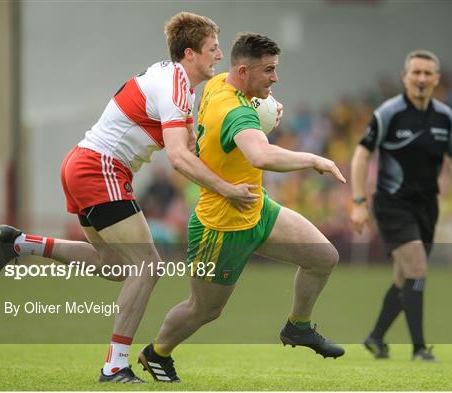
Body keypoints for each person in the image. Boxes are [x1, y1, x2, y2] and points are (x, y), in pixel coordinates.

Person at [0, 12, 260, 384]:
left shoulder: (172, 80)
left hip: (84, 163)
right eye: (213, 48)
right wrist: (227, 189)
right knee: (147, 265)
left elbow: (187, 147)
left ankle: (19, 243)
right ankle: (114, 366)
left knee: (113, 264)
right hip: (100, 168)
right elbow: (179, 158)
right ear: (191, 53)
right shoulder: (176, 85)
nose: (219, 54)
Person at [136, 33, 347, 383]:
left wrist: (267, 108)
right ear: (245, 70)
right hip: (220, 227)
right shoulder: (233, 110)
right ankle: (156, 352)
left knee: (323, 257)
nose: (275, 78)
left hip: (255, 207)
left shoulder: (221, 84)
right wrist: (313, 158)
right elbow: (260, 155)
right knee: (204, 310)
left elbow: (245, 115)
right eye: (269, 71)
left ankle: (298, 327)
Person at [350, 50, 452, 361]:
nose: (421, 78)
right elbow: (362, 155)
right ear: (405, 77)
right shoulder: (388, 113)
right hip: (392, 204)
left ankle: (375, 337)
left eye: (427, 73)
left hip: (427, 207)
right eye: (415, 73)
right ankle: (419, 349)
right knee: (417, 268)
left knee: (405, 278)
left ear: (436, 79)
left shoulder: (445, 116)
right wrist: (359, 202)